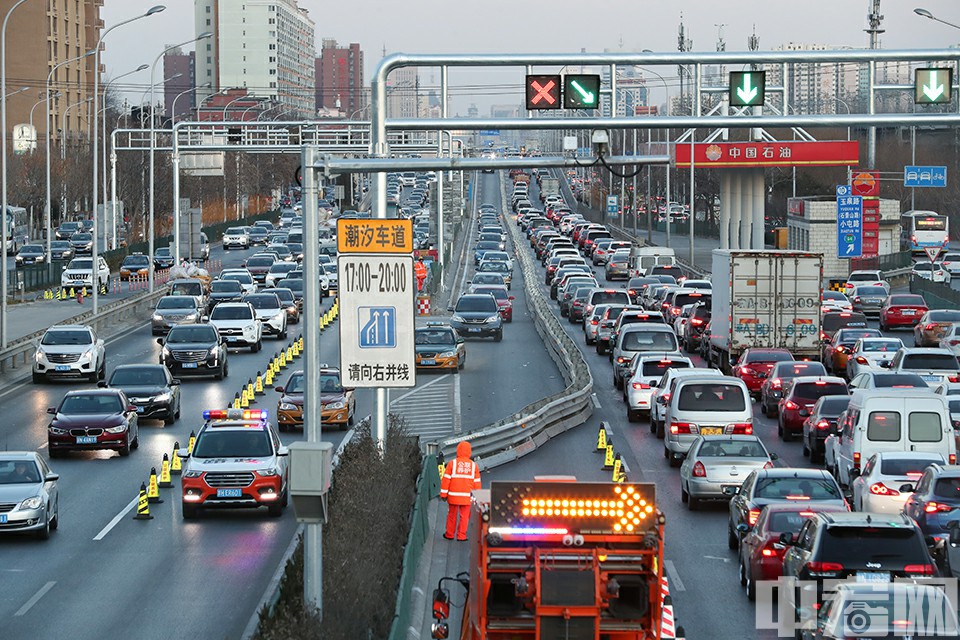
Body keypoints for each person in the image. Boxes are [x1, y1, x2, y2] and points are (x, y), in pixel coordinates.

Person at [440, 441, 481, 541]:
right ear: (469, 452)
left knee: (452, 515)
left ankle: (449, 534)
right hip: (466, 496)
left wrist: (443, 494)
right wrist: (477, 497)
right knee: (465, 516)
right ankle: (461, 536)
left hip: (453, 496)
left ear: (458, 451)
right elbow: (476, 483)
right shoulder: (473, 466)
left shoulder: (452, 464)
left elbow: (446, 480)